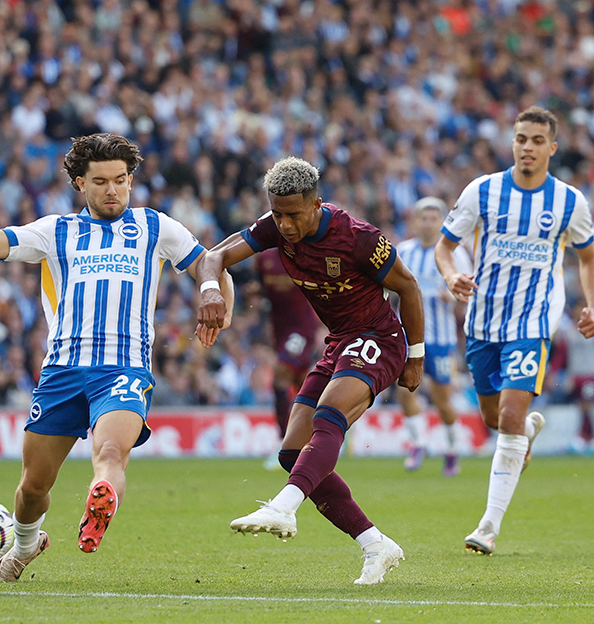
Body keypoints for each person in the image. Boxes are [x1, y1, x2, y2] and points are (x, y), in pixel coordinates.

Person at [0, 134, 234, 581]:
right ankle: (25, 545)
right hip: (62, 371)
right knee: (33, 487)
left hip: (124, 368)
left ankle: (101, 497)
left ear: (131, 180)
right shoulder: (55, 231)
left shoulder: (156, 227)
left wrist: (217, 302)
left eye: (121, 180)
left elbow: (210, 263)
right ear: (81, 183)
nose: (113, 190)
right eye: (101, 181)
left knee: (112, 453)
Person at [198, 156, 425, 585]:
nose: (284, 225)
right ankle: (375, 544)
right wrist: (211, 291)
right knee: (291, 453)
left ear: (316, 204)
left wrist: (415, 356)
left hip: (379, 337)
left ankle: (283, 506)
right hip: (340, 342)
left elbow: (408, 287)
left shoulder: (358, 238)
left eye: (293, 214)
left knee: (328, 415)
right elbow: (214, 258)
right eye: (278, 214)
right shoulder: (272, 226)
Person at [435, 106, 594, 555]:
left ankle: (488, 526)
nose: (526, 147)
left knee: (507, 417)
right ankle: (524, 433)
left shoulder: (570, 202)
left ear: (551, 147)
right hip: (482, 322)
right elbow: (445, 247)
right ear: (512, 143)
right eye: (520, 139)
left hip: (532, 321)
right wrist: (452, 276)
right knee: (496, 420)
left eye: (535, 140)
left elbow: (588, 258)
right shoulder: (482, 191)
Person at [395, 197, 472, 475]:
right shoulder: (403, 251)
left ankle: (452, 450)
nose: (428, 224)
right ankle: (418, 443)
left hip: (440, 340)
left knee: (441, 400)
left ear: (442, 222)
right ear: (414, 221)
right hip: (407, 338)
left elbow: (469, 291)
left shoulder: (454, 254)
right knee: (404, 392)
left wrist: (452, 295)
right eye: (423, 219)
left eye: (433, 219)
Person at [252, 248, 322, 469]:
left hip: (302, 327)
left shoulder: (304, 254)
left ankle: (285, 445)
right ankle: (327, 430)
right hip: (280, 330)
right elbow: (262, 291)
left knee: (279, 377)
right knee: (303, 385)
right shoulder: (264, 258)